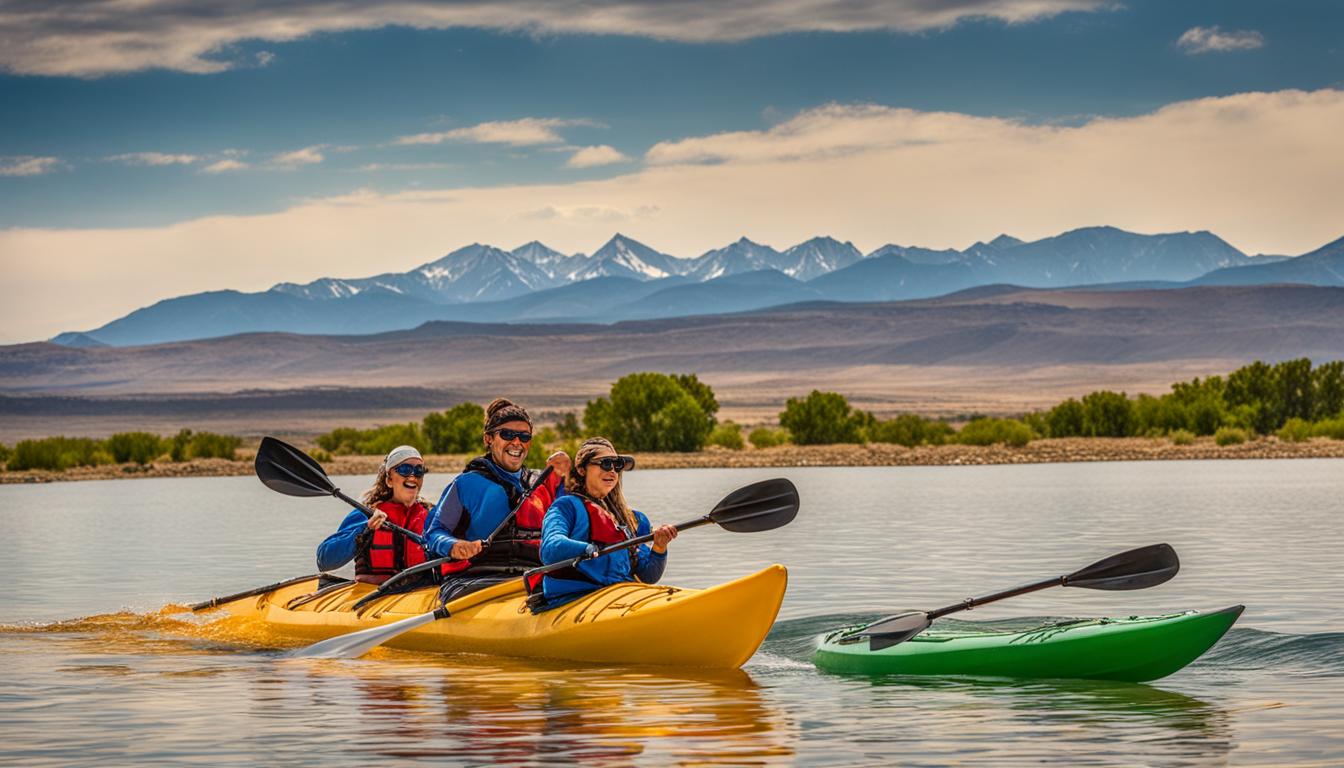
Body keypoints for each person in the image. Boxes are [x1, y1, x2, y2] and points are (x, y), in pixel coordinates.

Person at [423, 398, 569, 599]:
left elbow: (569, 524)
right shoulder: (466, 484)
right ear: (488, 439)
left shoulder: (542, 484)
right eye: (507, 434)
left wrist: (567, 480)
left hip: (532, 578)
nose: (516, 442)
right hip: (475, 580)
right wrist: (453, 546)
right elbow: (434, 533)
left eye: (524, 436)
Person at [538, 436, 677, 608]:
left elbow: (648, 575)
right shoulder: (566, 506)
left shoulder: (629, 519)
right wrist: (586, 549)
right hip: (573, 600)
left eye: (617, 465)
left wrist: (660, 546)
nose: (612, 470)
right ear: (582, 470)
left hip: (617, 596)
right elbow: (549, 549)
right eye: (605, 463)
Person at [316, 445, 431, 585]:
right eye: (405, 470)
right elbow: (324, 561)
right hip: (374, 595)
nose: (412, 476)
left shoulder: (433, 517)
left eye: (419, 471)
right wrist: (365, 530)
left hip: (423, 594)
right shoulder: (366, 514)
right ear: (389, 480)